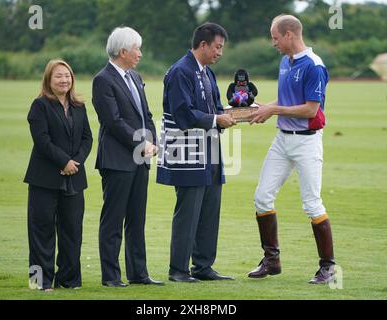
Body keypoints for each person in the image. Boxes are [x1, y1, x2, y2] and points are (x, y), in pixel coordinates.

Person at [248, 14, 335, 284]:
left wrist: (273, 109)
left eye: (275, 37)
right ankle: (271, 260)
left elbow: (311, 108)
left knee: (311, 203)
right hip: (282, 140)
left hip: (307, 142)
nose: (273, 42)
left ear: (289, 35)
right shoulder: (285, 62)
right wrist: (265, 107)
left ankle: (328, 268)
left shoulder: (314, 65)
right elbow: (286, 101)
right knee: (262, 197)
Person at [157, 22, 236, 282]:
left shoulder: (207, 72)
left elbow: (213, 107)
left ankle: (203, 267)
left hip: (210, 150)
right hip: (187, 152)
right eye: (217, 47)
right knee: (188, 212)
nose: (220, 53)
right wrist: (216, 120)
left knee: (209, 210)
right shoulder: (180, 71)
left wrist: (236, 112)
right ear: (203, 45)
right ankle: (178, 270)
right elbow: (183, 113)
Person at [92, 27, 163, 287]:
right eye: (137, 49)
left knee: (137, 219)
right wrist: (141, 143)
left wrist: (152, 141)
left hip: (140, 159)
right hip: (117, 160)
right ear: (123, 51)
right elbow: (113, 121)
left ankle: (138, 274)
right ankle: (111, 277)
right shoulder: (103, 79)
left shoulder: (135, 76)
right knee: (113, 221)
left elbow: (145, 114)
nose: (140, 54)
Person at [24, 59, 93, 291]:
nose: (64, 80)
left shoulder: (79, 106)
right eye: (58, 76)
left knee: (72, 231)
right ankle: (40, 282)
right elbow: (42, 140)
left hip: (74, 178)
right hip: (44, 178)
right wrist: (63, 161)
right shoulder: (39, 105)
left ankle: (69, 280)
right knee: (41, 232)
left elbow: (87, 139)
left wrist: (75, 163)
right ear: (48, 80)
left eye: (67, 76)